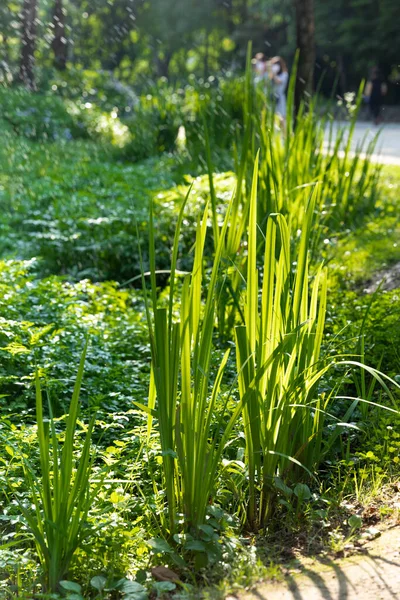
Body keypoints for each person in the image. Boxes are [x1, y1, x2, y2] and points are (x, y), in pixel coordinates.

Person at [267, 56, 289, 131]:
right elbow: (267, 84)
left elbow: (278, 82)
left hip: (280, 97)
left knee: (282, 117)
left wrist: (274, 73)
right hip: (272, 97)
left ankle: (286, 135)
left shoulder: (284, 74)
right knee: (273, 117)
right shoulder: (271, 75)